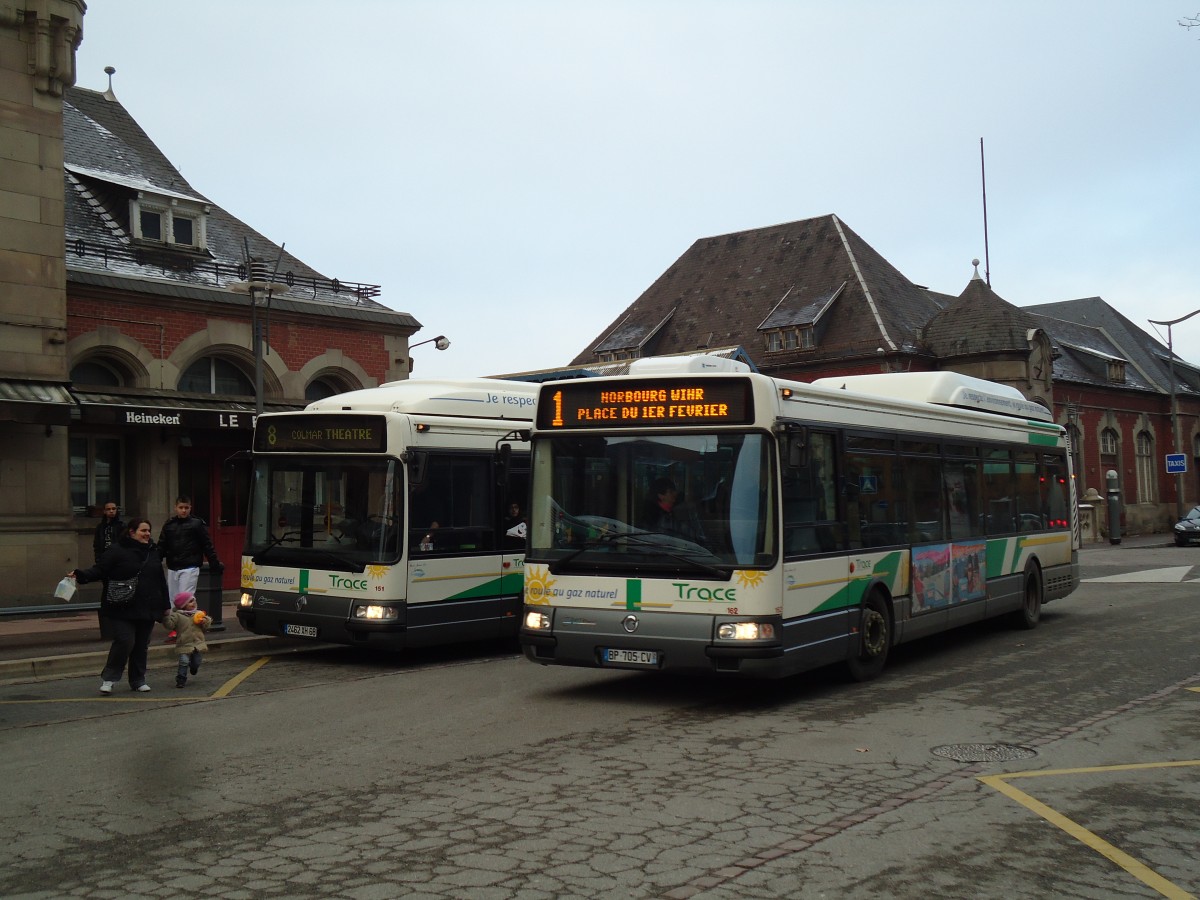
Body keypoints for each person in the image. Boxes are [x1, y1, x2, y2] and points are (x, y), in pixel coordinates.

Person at [67, 518, 170, 694]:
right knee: (125, 641)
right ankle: (109, 678)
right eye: (143, 530)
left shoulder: (152, 551)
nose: (147, 534)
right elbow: (99, 570)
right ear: (131, 532)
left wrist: (165, 605)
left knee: (141, 644)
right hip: (121, 606)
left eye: (148, 531)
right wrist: (80, 575)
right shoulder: (116, 550)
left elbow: (160, 580)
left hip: (147, 606)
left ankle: (138, 680)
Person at [158, 496, 222, 643]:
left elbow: (207, 544)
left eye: (186, 507)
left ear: (190, 508)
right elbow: (162, 545)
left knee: (185, 598)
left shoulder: (196, 524)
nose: (183, 510)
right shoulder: (169, 525)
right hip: (173, 566)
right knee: (173, 598)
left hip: (190, 565)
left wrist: (214, 562)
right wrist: (156, 561)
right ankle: (178, 626)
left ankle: (186, 628)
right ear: (176, 508)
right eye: (181, 507)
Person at [162, 591, 211, 688]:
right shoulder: (177, 616)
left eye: (194, 601)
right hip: (184, 644)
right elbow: (170, 625)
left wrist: (205, 621)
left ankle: (193, 667)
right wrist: (166, 617)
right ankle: (181, 679)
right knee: (184, 661)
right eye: (190, 601)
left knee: (197, 661)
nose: (194, 603)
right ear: (183, 605)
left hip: (197, 643)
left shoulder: (198, 614)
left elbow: (206, 627)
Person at [91, 501, 124, 640]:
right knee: (107, 594)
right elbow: (97, 546)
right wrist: (99, 561)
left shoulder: (121, 526)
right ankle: (108, 626)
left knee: (119, 593)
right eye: (108, 509)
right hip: (105, 565)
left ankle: (119, 625)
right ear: (104, 511)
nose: (111, 511)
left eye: (113, 509)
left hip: (118, 565)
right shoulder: (101, 528)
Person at [643, 477, 707, 546]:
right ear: (661, 496)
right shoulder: (652, 519)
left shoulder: (684, 512)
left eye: (675, 491)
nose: (675, 494)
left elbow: (699, 536)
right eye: (670, 491)